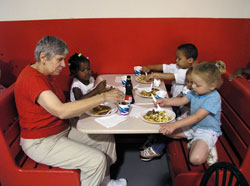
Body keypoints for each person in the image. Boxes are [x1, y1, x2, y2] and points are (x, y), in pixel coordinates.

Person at [14, 36, 127, 186]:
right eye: (59, 59)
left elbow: (60, 106)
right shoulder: (32, 79)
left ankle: (105, 182)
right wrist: (103, 97)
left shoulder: (44, 74)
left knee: (106, 138)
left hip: (60, 130)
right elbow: (61, 111)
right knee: (96, 160)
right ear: (43, 57)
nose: (63, 64)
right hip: (42, 142)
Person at [141, 61, 226, 166]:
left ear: (212, 86)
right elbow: (181, 101)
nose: (193, 86)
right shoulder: (196, 91)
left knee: (195, 159)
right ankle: (195, 142)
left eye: (197, 84)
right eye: (193, 82)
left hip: (206, 130)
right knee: (164, 130)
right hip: (192, 126)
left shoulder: (213, 98)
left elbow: (197, 117)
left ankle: (208, 146)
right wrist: (166, 101)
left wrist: (174, 125)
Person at [139, 67, 193, 161]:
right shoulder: (192, 88)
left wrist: (174, 124)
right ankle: (153, 138)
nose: (187, 85)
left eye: (189, 82)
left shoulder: (204, 97)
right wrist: (165, 101)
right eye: (186, 82)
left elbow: (195, 116)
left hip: (194, 126)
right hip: (185, 115)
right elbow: (181, 99)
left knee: (167, 129)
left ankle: (157, 149)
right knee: (161, 119)